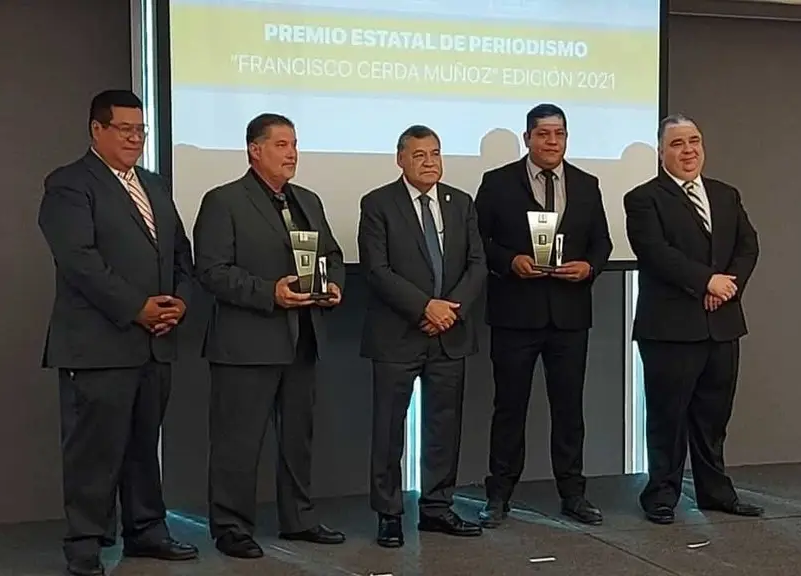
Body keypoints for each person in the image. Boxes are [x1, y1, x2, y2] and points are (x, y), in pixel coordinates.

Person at [37, 89, 198, 576]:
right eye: (124, 129)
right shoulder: (69, 184)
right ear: (97, 129)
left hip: (156, 342)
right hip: (98, 345)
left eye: (140, 130)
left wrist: (179, 302)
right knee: (93, 451)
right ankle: (85, 544)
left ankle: (146, 531)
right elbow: (79, 261)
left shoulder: (156, 185)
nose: (135, 138)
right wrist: (136, 308)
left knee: (144, 445)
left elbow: (180, 253)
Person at [193, 113, 346, 558]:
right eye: (281, 145)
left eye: (294, 144)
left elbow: (332, 254)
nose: (292, 153)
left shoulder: (307, 200)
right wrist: (269, 293)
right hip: (246, 343)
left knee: (298, 439)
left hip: (302, 338)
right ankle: (231, 527)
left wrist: (333, 285)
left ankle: (299, 518)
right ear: (254, 150)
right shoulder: (223, 200)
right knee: (238, 443)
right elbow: (212, 270)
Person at [474, 103, 612, 527]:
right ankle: (498, 496)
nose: (552, 141)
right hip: (515, 313)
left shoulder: (587, 184)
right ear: (527, 138)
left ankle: (573, 494)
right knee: (509, 408)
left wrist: (589, 267)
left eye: (559, 134)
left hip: (569, 315)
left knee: (569, 410)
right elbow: (477, 241)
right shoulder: (497, 182)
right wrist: (509, 260)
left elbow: (602, 243)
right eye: (543, 134)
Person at [623, 114, 763, 524]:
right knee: (667, 418)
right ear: (661, 152)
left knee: (713, 417)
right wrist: (706, 281)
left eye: (694, 141)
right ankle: (661, 495)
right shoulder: (643, 198)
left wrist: (726, 287)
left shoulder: (725, 194)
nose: (688, 150)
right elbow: (656, 253)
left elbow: (748, 246)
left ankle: (715, 492)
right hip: (670, 328)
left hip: (722, 325)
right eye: (677, 143)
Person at [358, 125, 488, 547]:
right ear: (400, 160)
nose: (430, 162)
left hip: (450, 332)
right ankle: (389, 513)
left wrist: (450, 311)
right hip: (397, 335)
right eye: (419, 155)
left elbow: (477, 265)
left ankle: (437, 507)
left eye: (435, 153)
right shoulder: (378, 203)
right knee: (388, 429)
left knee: (443, 427)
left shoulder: (460, 202)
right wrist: (424, 307)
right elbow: (377, 270)